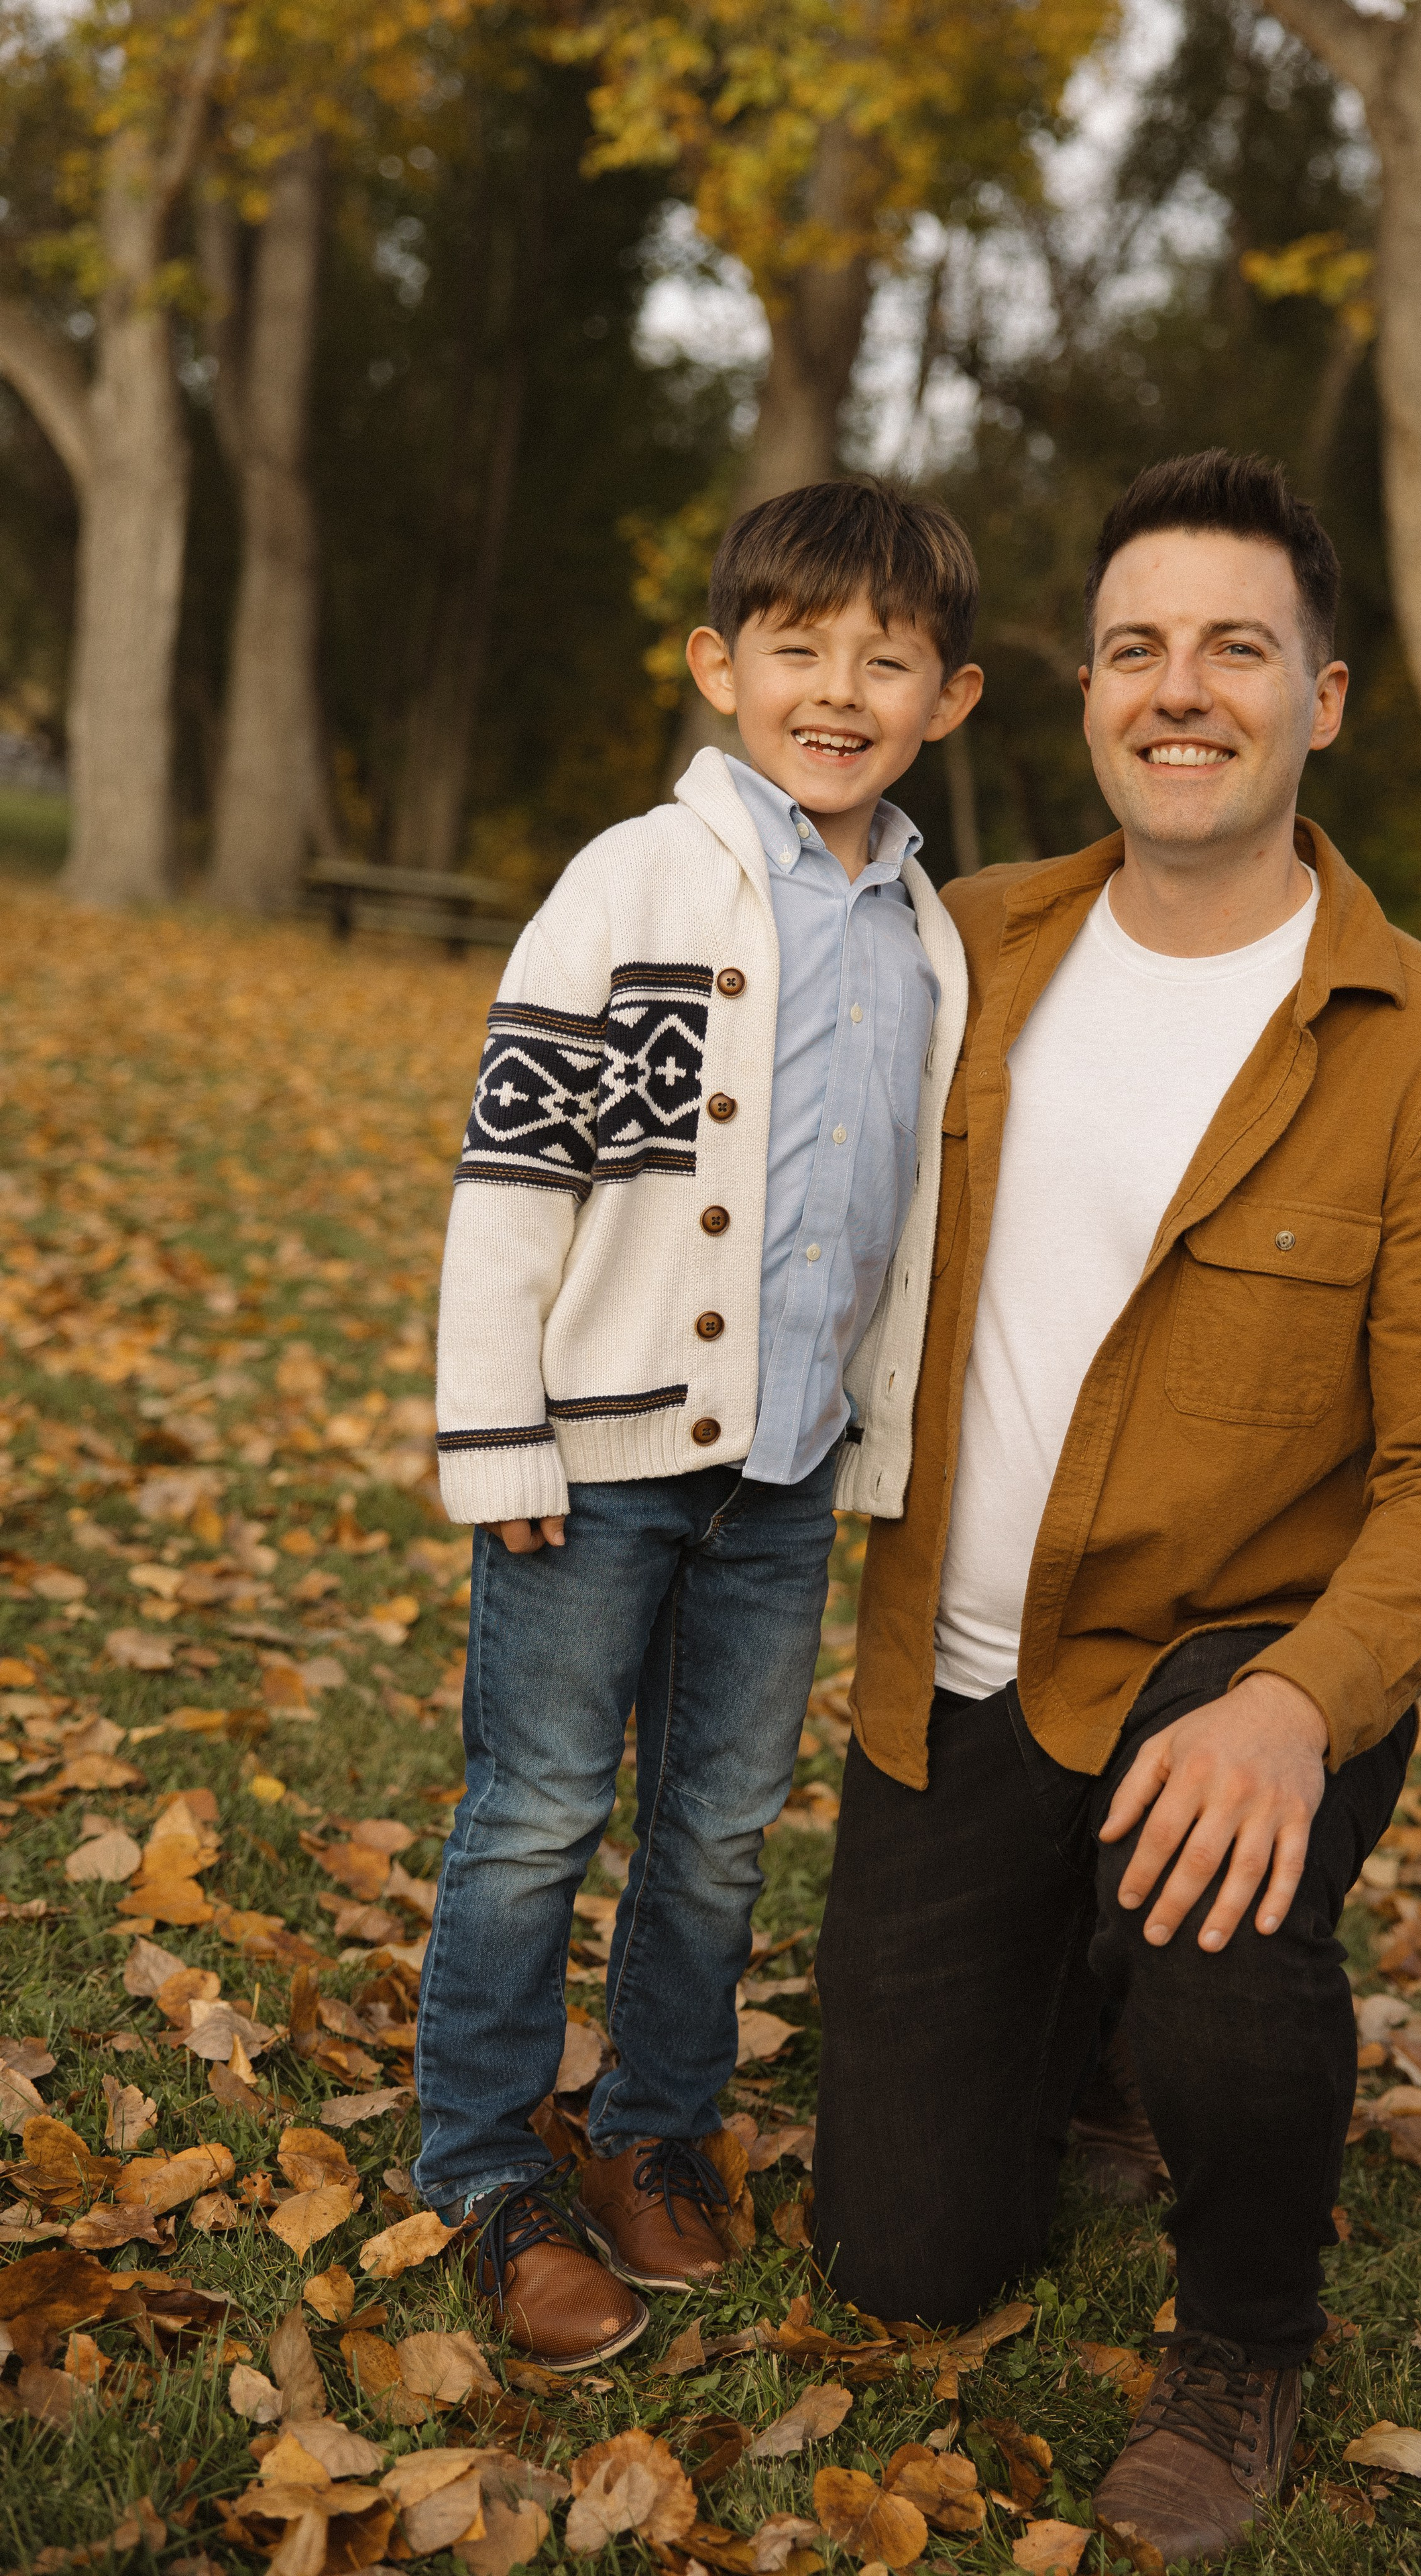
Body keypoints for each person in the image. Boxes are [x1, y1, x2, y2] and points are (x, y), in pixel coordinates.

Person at [812, 450, 1421, 2565]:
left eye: (1239, 647)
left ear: (1324, 699)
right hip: (960, 1675)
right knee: (903, 2258)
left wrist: (1302, 1710)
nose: (1181, 688)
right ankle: (1091, 2029)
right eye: (1137, 647)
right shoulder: (961, 949)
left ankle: (1245, 2337)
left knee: (1222, 1889)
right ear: (1084, 693)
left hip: (1230, 1658)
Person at [416, 478, 983, 2369]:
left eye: (885, 658)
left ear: (950, 698)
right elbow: (520, 1168)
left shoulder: (927, 935)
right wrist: (497, 1432)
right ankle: (484, 2169)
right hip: (598, 1456)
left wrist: (870, 1446)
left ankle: (656, 2125)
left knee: (723, 1826)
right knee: (540, 1814)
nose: (840, 687)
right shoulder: (631, 883)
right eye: (799, 647)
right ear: (719, 664)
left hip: (788, 1475)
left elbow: (893, 1225)